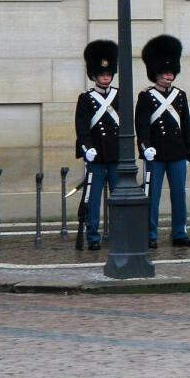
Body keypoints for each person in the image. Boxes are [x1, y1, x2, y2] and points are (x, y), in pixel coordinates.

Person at [136, 34, 190, 248]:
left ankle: (179, 233)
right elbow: (141, 126)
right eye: (165, 71)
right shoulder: (146, 96)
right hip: (156, 154)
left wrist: (188, 153)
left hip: (177, 153)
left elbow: (186, 125)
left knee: (179, 195)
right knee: (152, 196)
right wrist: (145, 147)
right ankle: (149, 234)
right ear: (156, 72)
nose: (169, 74)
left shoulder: (179, 95)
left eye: (171, 71)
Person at [74, 40, 120, 251]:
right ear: (94, 75)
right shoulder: (86, 99)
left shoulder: (119, 96)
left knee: (119, 197)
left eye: (108, 73)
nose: (105, 77)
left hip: (116, 155)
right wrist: (87, 147)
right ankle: (92, 235)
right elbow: (82, 127)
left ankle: (120, 233)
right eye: (101, 74)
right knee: (92, 199)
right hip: (96, 155)